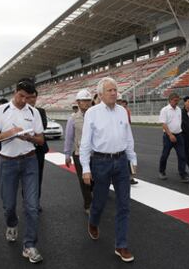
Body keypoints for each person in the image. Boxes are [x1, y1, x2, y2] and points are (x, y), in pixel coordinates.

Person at [80, 77, 137, 263]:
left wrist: (132, 158)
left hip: (121, 162)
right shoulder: (92, 113)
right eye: (110, 90)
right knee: (100, 202)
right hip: (100, 162)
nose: (114, 93)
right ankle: (93, 221)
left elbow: (128, 136)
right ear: (101, 94)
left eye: (115, 89)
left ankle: (121, 245)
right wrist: (86, 168)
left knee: (124, 205)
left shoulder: (122, 111)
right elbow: (85, 143)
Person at [0, 79, 45, 263]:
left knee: (31, 206)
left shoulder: (33, 111)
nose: (24, 100)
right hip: (8, 163)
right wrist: (11, 133)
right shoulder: (1, 110)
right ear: (15, 92)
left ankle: (29, 245)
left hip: (30, 161)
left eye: (28, 97)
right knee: (9, 205)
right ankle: (11, 223)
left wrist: (29, 138)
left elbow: (41, 140)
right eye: (21, 96)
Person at [64, 89, 93, 214]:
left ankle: (93, 198)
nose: (86, 103)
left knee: (96, 179)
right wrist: (67, 154)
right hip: (79, 154)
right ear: (78, 102)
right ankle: (88, 204)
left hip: (96, 154)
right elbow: (69, 137)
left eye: (88, 101)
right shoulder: (73, 119)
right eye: (84, 101)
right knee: (84, 181)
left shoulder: (96, 116)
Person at [26, 88, 49, 211]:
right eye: (28, 97)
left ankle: (36, 202)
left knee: (38, 177)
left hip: (39, 150)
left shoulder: (40, 111)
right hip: (24, 150)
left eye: (33, 97)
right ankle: (27, 201)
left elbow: (43, 126)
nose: (31, 100)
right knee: (26, 178)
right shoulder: (19, 112)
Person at [158, 93, 189, 182]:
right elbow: (163, 124)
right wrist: (170, 135)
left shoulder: (179, 109)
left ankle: (182, 173)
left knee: (182, 155)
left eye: (178, 100)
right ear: (170, 100)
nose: (177, 102)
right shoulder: (165, 110)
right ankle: (162, 171)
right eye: (175, 100)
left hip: (179, 135)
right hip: (168, 136)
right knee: (165, 155)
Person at [121, 99, 138, 185]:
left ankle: (130, 177)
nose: (123, 106)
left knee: (129, 157)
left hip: (125, 133)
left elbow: (128, 122)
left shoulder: (125, 111)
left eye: (124, 105)